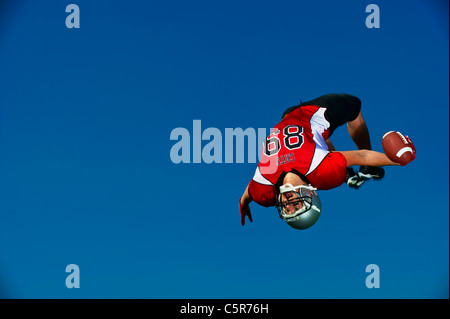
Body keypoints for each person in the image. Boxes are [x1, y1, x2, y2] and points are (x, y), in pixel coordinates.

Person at [238, 93, 416, 229]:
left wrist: (243, 203)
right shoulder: (322, 170)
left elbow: (249, 193)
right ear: (309, 196)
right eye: (297, 207)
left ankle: (341, 162)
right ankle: (367, 169)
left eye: (288, 211)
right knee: (354, 106)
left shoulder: (264, 190)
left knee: (322, 147)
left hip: (289, 116)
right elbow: (362, 155)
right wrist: (398, 160)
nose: (290, 205)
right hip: (317, 111)